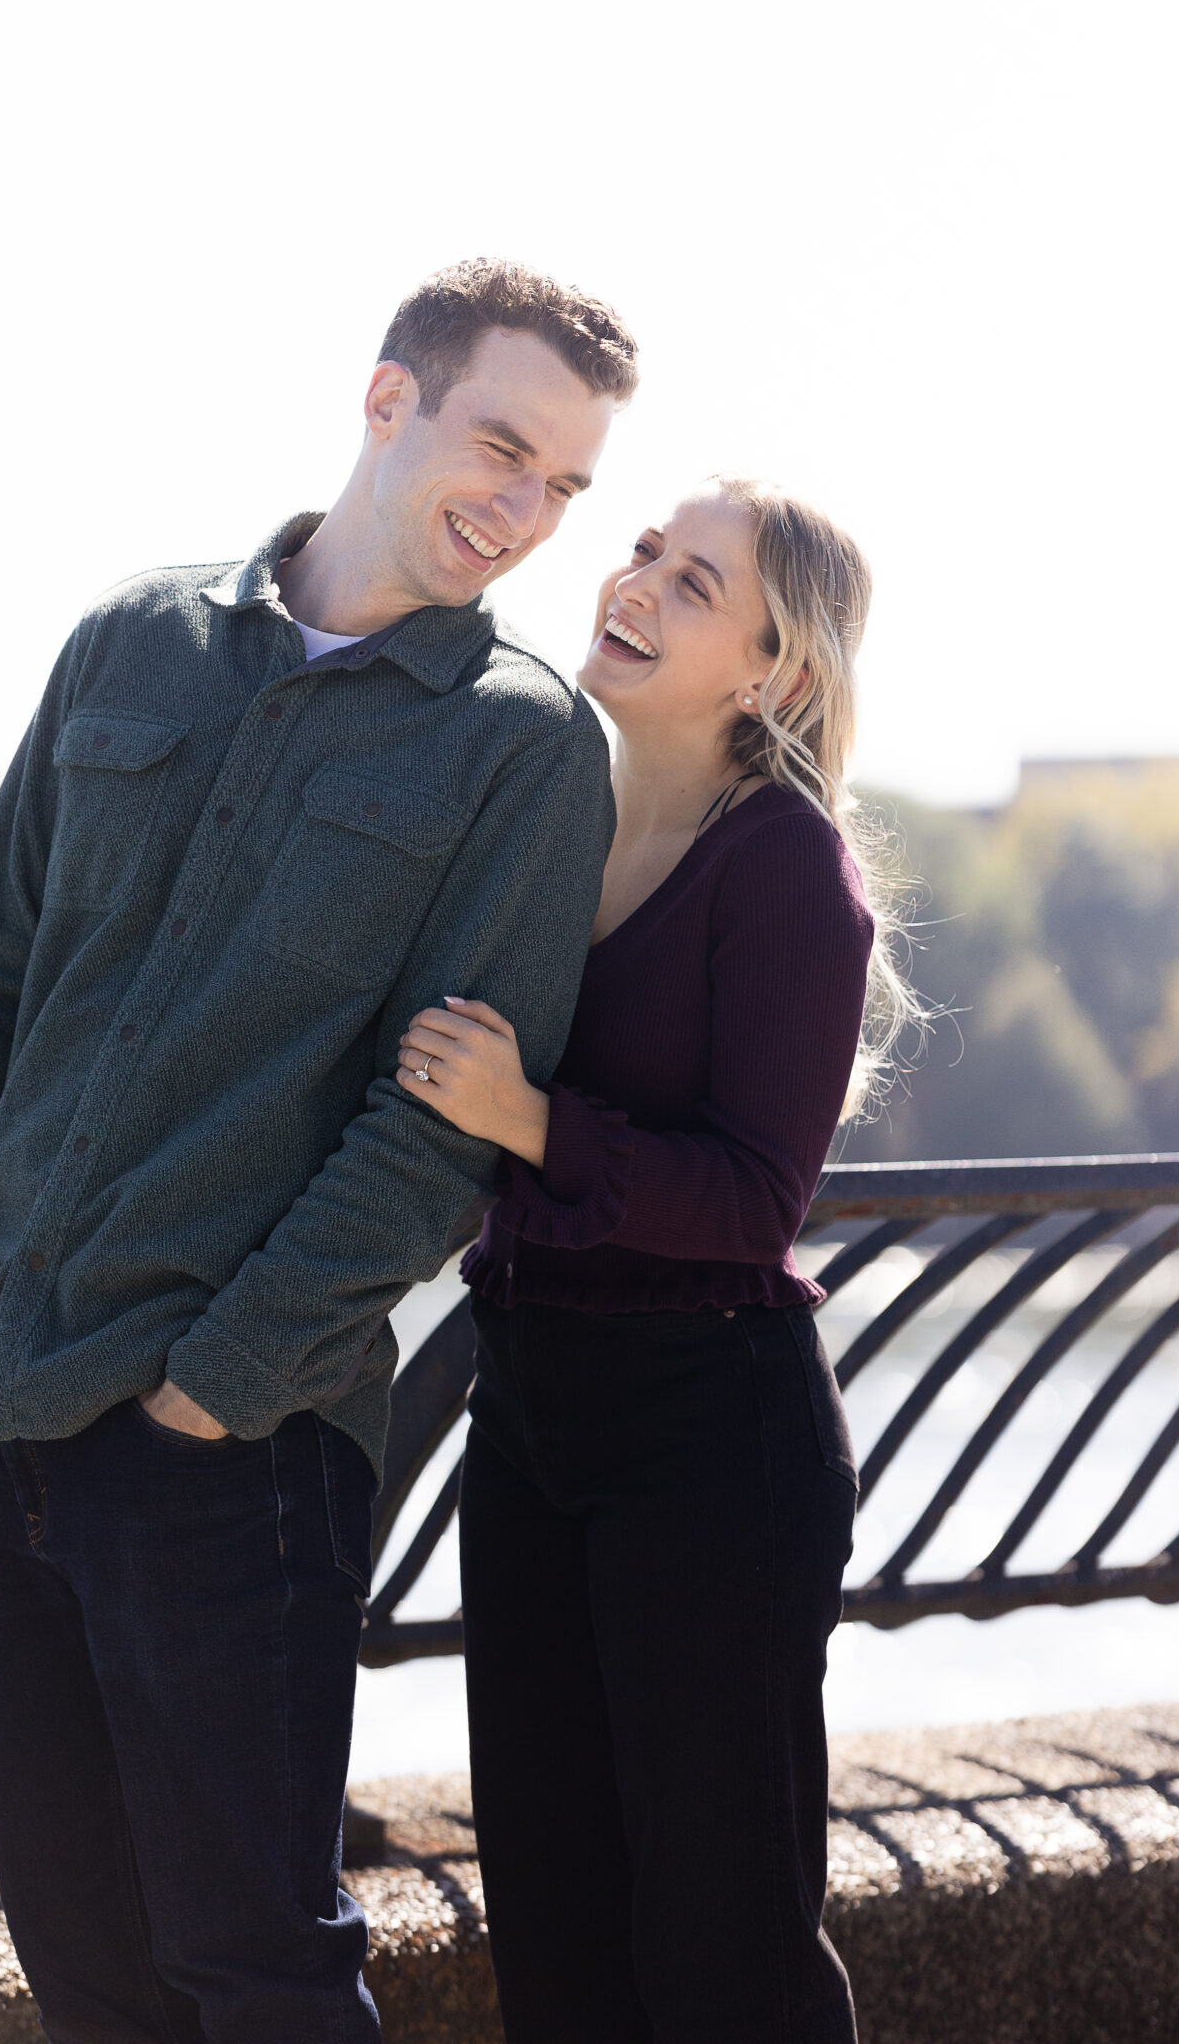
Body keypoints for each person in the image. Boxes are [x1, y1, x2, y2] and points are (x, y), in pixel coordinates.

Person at [0, 258, 638, 2044]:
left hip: (232, 1454)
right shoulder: (132, 641)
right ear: (390, 401)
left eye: (567, 487)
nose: (525, 513)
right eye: (503, 448)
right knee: (86, 1966)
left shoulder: (522, 756)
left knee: (258, 1970)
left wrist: (215, 1387)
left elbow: (428, 1142)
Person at [396, 476, 916, 2044]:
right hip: (535, 1408)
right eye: (644, 554)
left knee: (723, 1956)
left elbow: (758, 1201)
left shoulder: (787, 872)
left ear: (776, 672)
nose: (635, 583)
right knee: (555, 1934)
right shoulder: (562, 819)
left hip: (710, 1440)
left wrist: (531, 1122)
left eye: (696, 585)